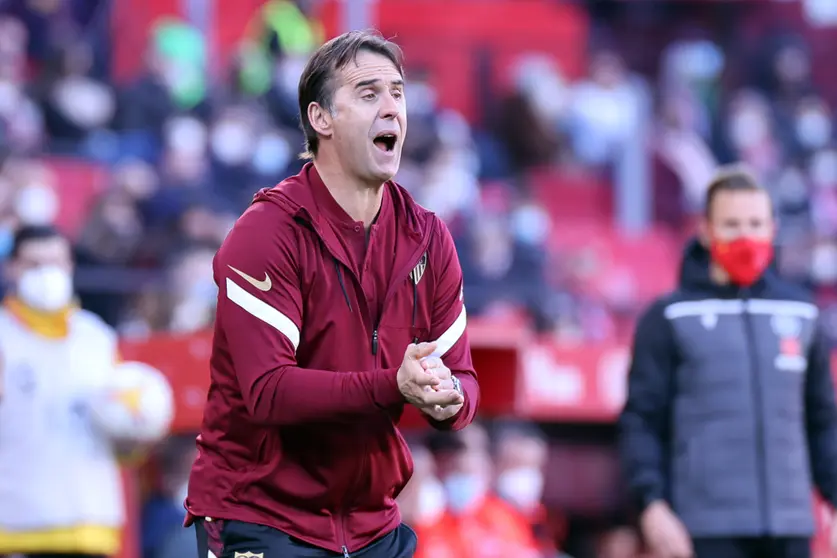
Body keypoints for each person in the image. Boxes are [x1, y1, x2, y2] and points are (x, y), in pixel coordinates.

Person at [185, 30, 480, 558]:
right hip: (261, 516)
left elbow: (463, 380)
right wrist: (394, 385)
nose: (391, 108)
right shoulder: (266, 232)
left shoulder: (428, 237)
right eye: (368, 94)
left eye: (397, 92)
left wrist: (447, 395)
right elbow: (269, 392)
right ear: (321, 118)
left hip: (373, 525)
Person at [618, 164, 837, 558]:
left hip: (790, 530)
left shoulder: (802, 315)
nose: (745, 236)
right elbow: (641, 421)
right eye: (731, 224)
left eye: (755, 223)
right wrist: (651, 505)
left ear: (772, 228)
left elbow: (823, 421)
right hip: (703, 531)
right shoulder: (668, 317)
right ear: (706, 230)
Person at [0, 225, 125, 558]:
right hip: (17, 530)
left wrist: (135, 430)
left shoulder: (97, 338)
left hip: (93, 526)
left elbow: (119, 430)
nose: (46, 274)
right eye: (33, 264)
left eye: (55, 263)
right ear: (11, 268)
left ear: (70, 266)